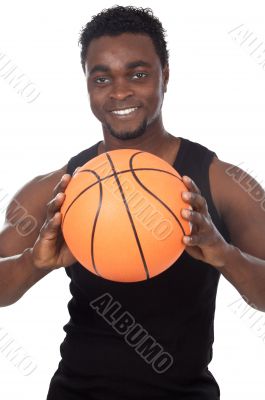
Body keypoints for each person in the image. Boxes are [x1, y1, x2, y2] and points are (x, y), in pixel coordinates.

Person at [0, 5, 265, 400]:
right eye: (102, 78)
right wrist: (33, 264)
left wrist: (223, 254)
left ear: (166, 76)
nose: (120, 92)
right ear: (87, 85)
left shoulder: (222, 182)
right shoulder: (58, 187)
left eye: (138, 74)